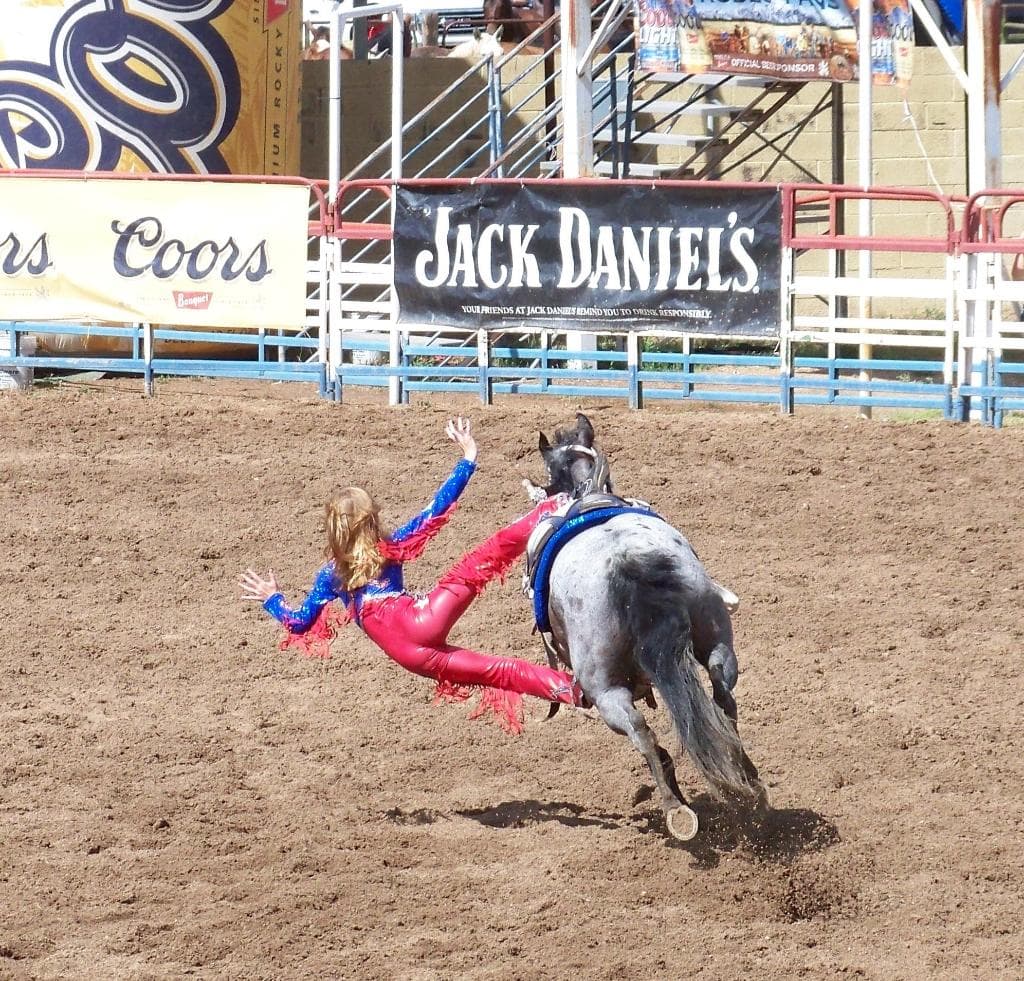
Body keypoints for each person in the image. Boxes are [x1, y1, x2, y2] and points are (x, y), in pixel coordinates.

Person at [240, 418, 583, 733]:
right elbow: (437, 508)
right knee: (480, 558)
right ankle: (554, 507)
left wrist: (272, 598)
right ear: (372, 519)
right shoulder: (388, 549)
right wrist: (468, 457)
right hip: (424, 617)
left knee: (500, 671)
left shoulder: (331, 576)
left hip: (411, 657)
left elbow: (298, 622)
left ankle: (577, 693)